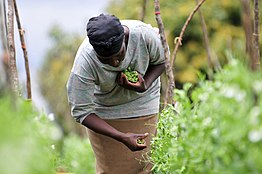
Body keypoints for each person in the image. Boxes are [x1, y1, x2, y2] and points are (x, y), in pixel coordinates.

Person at [67, 13, 165, 174]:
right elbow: (82, 111)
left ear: (125, 39)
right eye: (105, 59)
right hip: (106, 115)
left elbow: (161, 61)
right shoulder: (84, 63)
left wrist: (144, 84)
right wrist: (120, 136)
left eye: (119, 54)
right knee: (112, 170)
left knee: (146, 167)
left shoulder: (143, 35)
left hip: (144, 104)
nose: (115, 63)